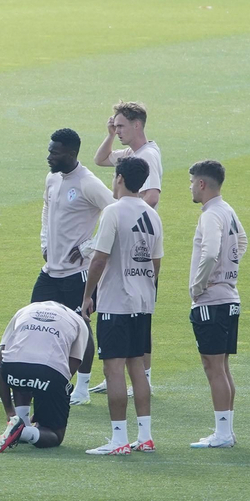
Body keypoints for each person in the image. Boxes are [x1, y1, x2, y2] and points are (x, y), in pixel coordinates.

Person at [82, 157, 163, 456]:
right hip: (143, 302)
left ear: (118, 178)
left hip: (116, 301)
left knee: (113, 369)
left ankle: (118, 439)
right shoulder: (152, 215)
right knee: (137, 368)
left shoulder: (113, 212)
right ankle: (145, 436)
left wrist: (87, 296)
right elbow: (156, 263)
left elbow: (99, 258)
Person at [34, 128, 111, 405]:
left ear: (71, 153)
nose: (49, 156)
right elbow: (46, 209)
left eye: (54, 151)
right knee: (37, 324)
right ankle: (39, 383)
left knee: (81, 328)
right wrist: (45, 242)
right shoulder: (52, 178)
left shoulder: (87, 183)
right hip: (50, 272)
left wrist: (89, 247)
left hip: (77, 274)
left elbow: (115, 212)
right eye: (49, 149)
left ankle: (81, 388)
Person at [92, 101, 162, 394]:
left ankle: (140, 377)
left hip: (133, 235)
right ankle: (126, 375)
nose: (117, 130)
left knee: (131, 305)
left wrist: (127, 215)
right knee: (136, 307)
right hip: (130, 230)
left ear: (137, 125)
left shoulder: (148, 156)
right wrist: (108, 134)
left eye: (120, 126)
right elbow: (100, 159)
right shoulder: (131, 154)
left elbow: (153, 196)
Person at [185, 160, 247, 449]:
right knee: (222, 367)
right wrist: (230, 269)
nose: (190, 188)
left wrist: (199, 285)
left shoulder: (210, 215)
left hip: (213, 301)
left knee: (214, 368)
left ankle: (222, 434)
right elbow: (242, 241)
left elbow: (209, 253)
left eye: (191, 182)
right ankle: (227, 431)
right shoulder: (228, 210)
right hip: (229, 297)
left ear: (201, 184)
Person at [0, 301, 89, 453]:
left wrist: (9, 410)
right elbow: (69, 369)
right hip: (49, 373)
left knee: (22, 369)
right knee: (55, 435)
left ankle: (18, 420)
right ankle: (23, 431)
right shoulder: (79, 322)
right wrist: (46, 407)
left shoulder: (23, 310)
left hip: (13, 370)